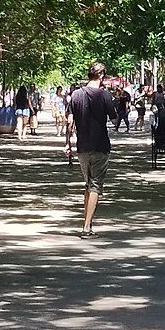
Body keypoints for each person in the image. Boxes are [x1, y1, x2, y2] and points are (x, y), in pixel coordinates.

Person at [67, 62, 115, 237]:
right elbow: (114, 117)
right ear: (101, 75)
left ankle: (87, 221)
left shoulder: (76, 95)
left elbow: (69, 122)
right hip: (100, 145)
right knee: (95, 186)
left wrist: (67, 144)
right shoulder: (104, 95)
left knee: (88, 184)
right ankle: (86, 227)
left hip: (82, 147)